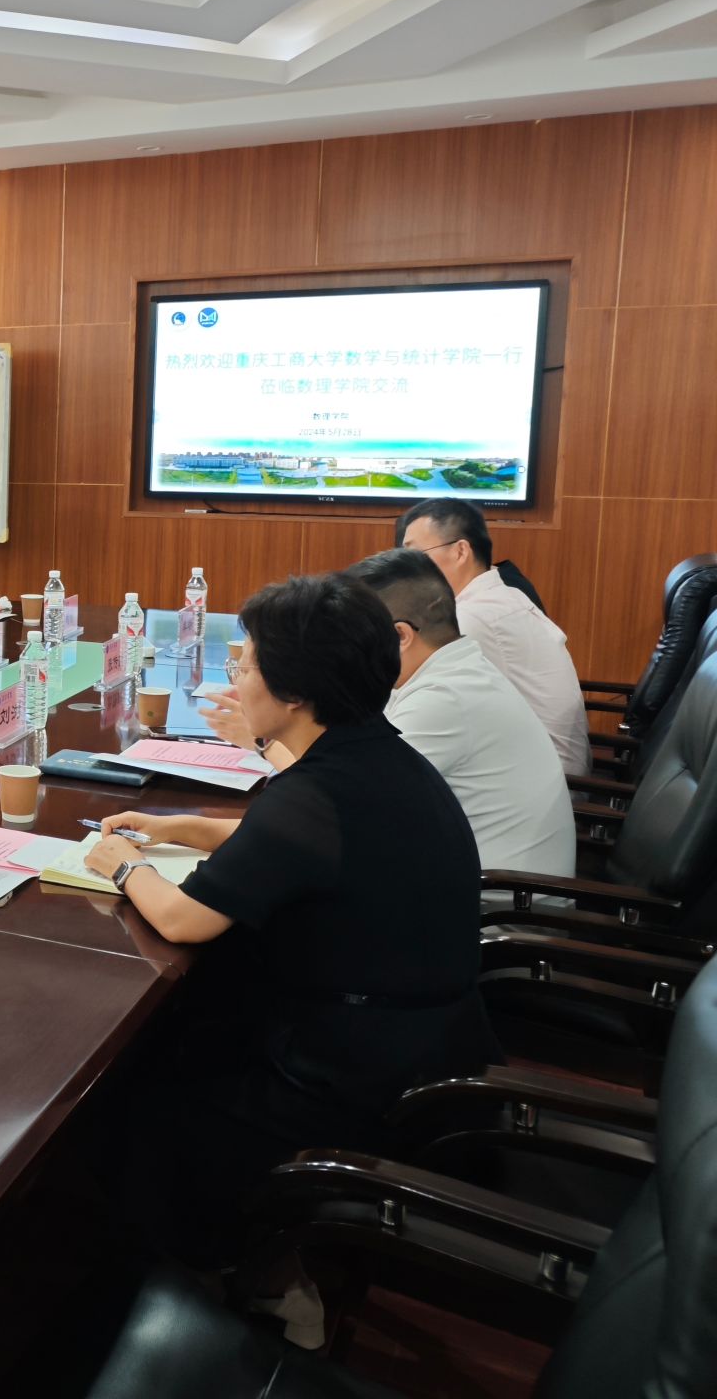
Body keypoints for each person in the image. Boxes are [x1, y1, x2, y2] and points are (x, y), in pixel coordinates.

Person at [84, 573, 497, 1266]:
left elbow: (183, 920)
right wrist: (180, 826)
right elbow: (299, 844)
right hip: (431, 1045)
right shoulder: (373, 754)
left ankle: (210, 1272)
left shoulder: (315, 793)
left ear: (296, 691)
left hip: (351, 1079)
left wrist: (124, 865)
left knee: (132, 1093)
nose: (236, 680)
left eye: (245, 666)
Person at [344, 549, 575, 875]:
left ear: (400, 636)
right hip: (470, 878)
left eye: (353, 637)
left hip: (497, 898)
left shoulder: (445, 697)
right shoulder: (456, 666)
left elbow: (349, 801)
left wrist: (278, 735)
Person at [396, 498, 589, 774]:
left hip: (540, 778)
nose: (405, 570)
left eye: (415, 555)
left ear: (460, 551)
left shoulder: (472, 617)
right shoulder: (501, 594)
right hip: (543, 767)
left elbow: (413, 702)